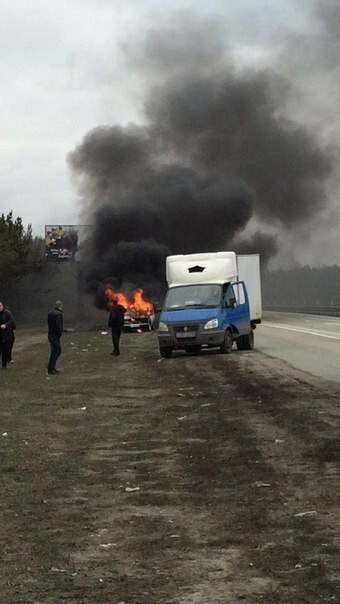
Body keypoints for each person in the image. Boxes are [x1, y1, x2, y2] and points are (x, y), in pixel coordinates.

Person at [47, 300, 63, 374]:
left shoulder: (50, 313)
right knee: (57, 351)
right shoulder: (59, 314)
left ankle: (52, 367)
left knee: (54, 351)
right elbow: (58, 326)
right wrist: (59, 334)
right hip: (55, 335)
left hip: (50, 334)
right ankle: (51, 368)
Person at [0, 300, 15, 369]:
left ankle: (4, 365)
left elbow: (11, 321)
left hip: (7, 334)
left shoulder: (7, 313)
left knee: (6, 350)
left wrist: (5, 325)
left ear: (2, 306)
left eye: (0, 306)